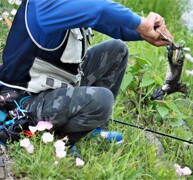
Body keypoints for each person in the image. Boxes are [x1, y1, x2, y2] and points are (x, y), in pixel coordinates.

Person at [0, 0, 173, 154]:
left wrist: (146, 33)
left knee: (117, 50)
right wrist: (142, 23)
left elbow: (110, 23)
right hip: (26, 101)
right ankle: (62, 142)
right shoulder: (44, 4)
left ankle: (92, 129)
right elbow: (100, 9)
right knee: (102, 100)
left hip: (56, 86)